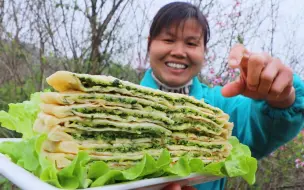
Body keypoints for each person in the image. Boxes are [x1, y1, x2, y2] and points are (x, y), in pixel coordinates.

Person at [139, 1, 304, 190]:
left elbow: (262, 126)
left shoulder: (220, 109)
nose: (178, 52)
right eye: (168, 40)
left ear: (204, 52)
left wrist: (281, 98)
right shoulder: (112, 105)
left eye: (191, 43)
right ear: (150, 43)